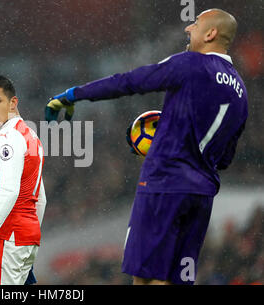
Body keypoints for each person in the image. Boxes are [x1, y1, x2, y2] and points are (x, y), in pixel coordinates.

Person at [45, 9, 248, 285]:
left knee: (144, 277)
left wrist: (74, 94)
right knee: (176, 279)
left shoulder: (190, 64)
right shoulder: (240, 91)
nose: (189, 29)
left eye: (196, 24)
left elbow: (130, 82)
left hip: (165, 183)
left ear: (210, 34)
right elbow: (225, 158)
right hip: (201, 194)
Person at [0, 75, 47, 285]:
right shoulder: (31, 136)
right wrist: (28, 242)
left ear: (13, 102)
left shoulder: (8, 137)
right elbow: (40, 199)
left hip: (6, 234)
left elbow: (9, 190)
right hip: (24, 235)